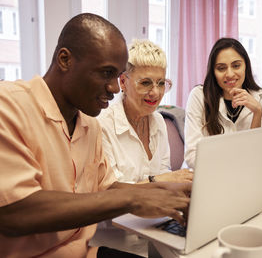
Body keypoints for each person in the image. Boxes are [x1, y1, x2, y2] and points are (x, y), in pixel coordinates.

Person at [0, 13, 190, 258]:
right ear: (65, 59)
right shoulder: (9, 106)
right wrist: (132, 198)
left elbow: (107, 188)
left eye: (117, 75)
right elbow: (15, 212)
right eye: (106, 73)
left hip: (86, 251)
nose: (113, 88)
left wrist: (167, 190)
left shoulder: (88, 123)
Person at [98, 39, 193, 184]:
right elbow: (112, 190)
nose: (155, 93)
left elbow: (164, 173)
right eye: (145, 83)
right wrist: (157, 180)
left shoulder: (159, 121)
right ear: (123, 82)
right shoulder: (103, 126)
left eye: (161, 83)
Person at [184, 37, 262, 169]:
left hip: (243, 177)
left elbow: (256, 154)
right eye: (221, 68)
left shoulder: (261, 98)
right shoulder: (198, 96)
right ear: (213, 72)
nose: (230, 74)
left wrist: (257, 112)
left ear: (245, 66)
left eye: (236, 66)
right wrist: (236, 165)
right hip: (203, 176)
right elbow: (192, 156)